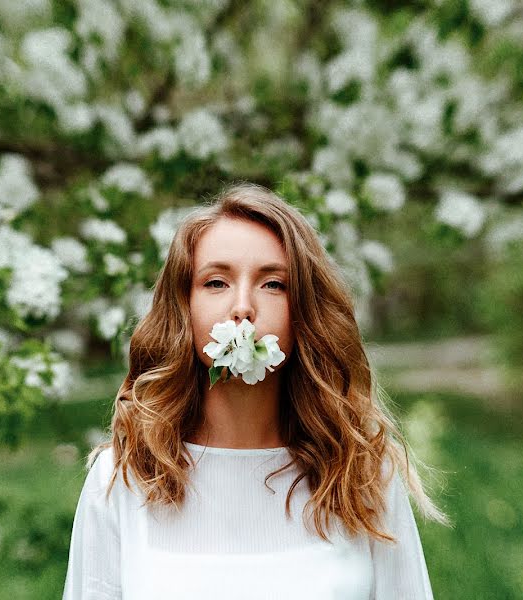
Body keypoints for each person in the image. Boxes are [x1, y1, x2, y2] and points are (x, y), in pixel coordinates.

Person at [62, 183, 451, 599]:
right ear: (184, 309)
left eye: (273, 285)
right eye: (215, 282)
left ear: (303, 312)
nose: (243, 306)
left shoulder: (362, 474)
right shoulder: (124, 479)